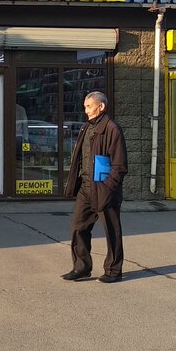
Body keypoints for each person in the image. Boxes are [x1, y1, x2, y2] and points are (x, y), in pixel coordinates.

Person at [61, 91, 128, 283]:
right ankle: (81, 267)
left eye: (89, 106)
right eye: (85, 106)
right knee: (78, 226)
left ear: (101, 106)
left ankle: (113, 271)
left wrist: (108, 187)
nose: (86, 110)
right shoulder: (86, 127)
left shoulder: (112, 129)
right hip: (86, 187)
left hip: (105, 189)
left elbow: (120, 166)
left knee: (112, 231)